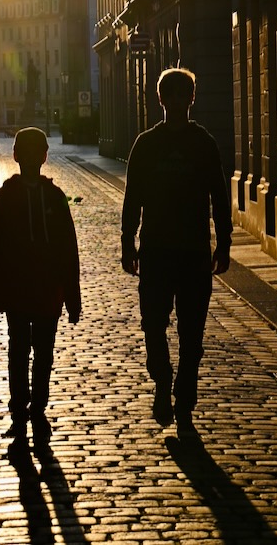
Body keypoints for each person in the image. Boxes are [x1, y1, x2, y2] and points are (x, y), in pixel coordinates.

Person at [121, 67, 231, 433]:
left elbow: (219, 196)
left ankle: (184, 401)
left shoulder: (204, 144)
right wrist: (127, 242)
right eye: (172, 97)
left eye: (184, 96)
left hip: (193, 252)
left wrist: (224, 242)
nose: (179, 104)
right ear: (162, 100)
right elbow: (132, 197)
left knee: (192, 334)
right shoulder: (146, 144)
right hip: (155, 251)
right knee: (153, 325)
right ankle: (163, 379)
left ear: (191, 100)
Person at [0, 127, 81, 447]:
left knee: (44, 353)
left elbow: (68, 249)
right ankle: (20, 412)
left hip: (47, 289)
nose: (34, 157)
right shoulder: (5, 197)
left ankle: (37, 409)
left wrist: (72, 297)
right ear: (18, 156)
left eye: (39, 151)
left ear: (44, 156)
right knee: (20, 351)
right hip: (17, 289)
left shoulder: (54, 197)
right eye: (29, 151)